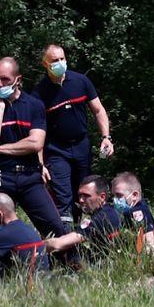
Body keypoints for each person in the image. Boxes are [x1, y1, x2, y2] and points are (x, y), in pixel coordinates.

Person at [0, 58, 69, 237]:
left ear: (18, 80)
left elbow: (35, 143)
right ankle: (8, 264)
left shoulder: (34, 105)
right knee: (2, 232)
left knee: (55, 228)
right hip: (0, 176)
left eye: (5, 79)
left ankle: (70, 262)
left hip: (29, 176)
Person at [32, 45, 115, 218]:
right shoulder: (39, 94)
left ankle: (93, 232)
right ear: (44, 64)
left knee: (84, 192)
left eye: (62, 59)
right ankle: (66, 239)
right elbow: (37, 132)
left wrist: (106, 137)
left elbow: (98, 110)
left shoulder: (81, 81)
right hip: (56, 150)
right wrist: (40, 165)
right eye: (55, 60)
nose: (60, 63)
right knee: (63, 197)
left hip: (82, 146)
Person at [45, 175, 125, 267]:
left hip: (106, 265)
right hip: (112, 261)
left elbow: (58, 244)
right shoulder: (109, 211)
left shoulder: (101, 218)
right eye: (80, 195)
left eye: (86, 196)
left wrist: (37, 245)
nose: (81, 200)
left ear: (102, 197)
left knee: (69, 249)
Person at [110, 171, 154, 253]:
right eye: (113, 195)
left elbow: (147, 232)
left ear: (134, 195)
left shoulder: (138, 211)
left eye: (119, 195)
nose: (115, 200)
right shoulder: (129, 209)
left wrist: (149, 254)